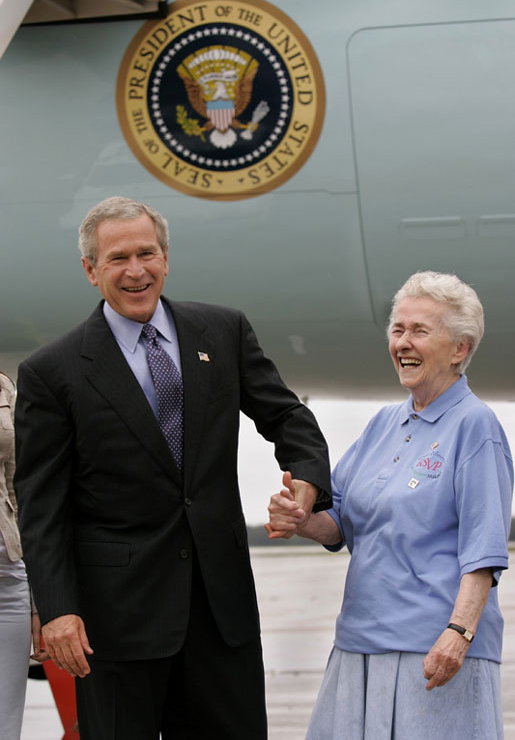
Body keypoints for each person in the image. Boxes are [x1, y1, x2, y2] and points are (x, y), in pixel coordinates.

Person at [13, 196, 331, 740]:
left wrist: (306, 477)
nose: (135, 271)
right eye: (117, 259)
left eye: (147, 253)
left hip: (220, 611)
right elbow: (41, 506)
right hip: (115, 624)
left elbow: (286, 415)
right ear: (91, 271)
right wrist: (59, 609)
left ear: (166, 258)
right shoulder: (52, 372)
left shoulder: (222, 331)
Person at [267, 271, 513, 739]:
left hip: (431, 653)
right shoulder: (384, 422)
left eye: (420, 331)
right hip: (359, 643)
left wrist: (458, 634)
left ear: (460, 349)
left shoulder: (475, 427)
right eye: (398, 330)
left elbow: (483, 553)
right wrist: (300, 519)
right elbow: (339, 524)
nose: (403, 342)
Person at [0, 371, 47, 738]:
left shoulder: (2, 388)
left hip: (8, 579)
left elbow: (20, 494)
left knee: (5, 722)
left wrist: (36, 601)